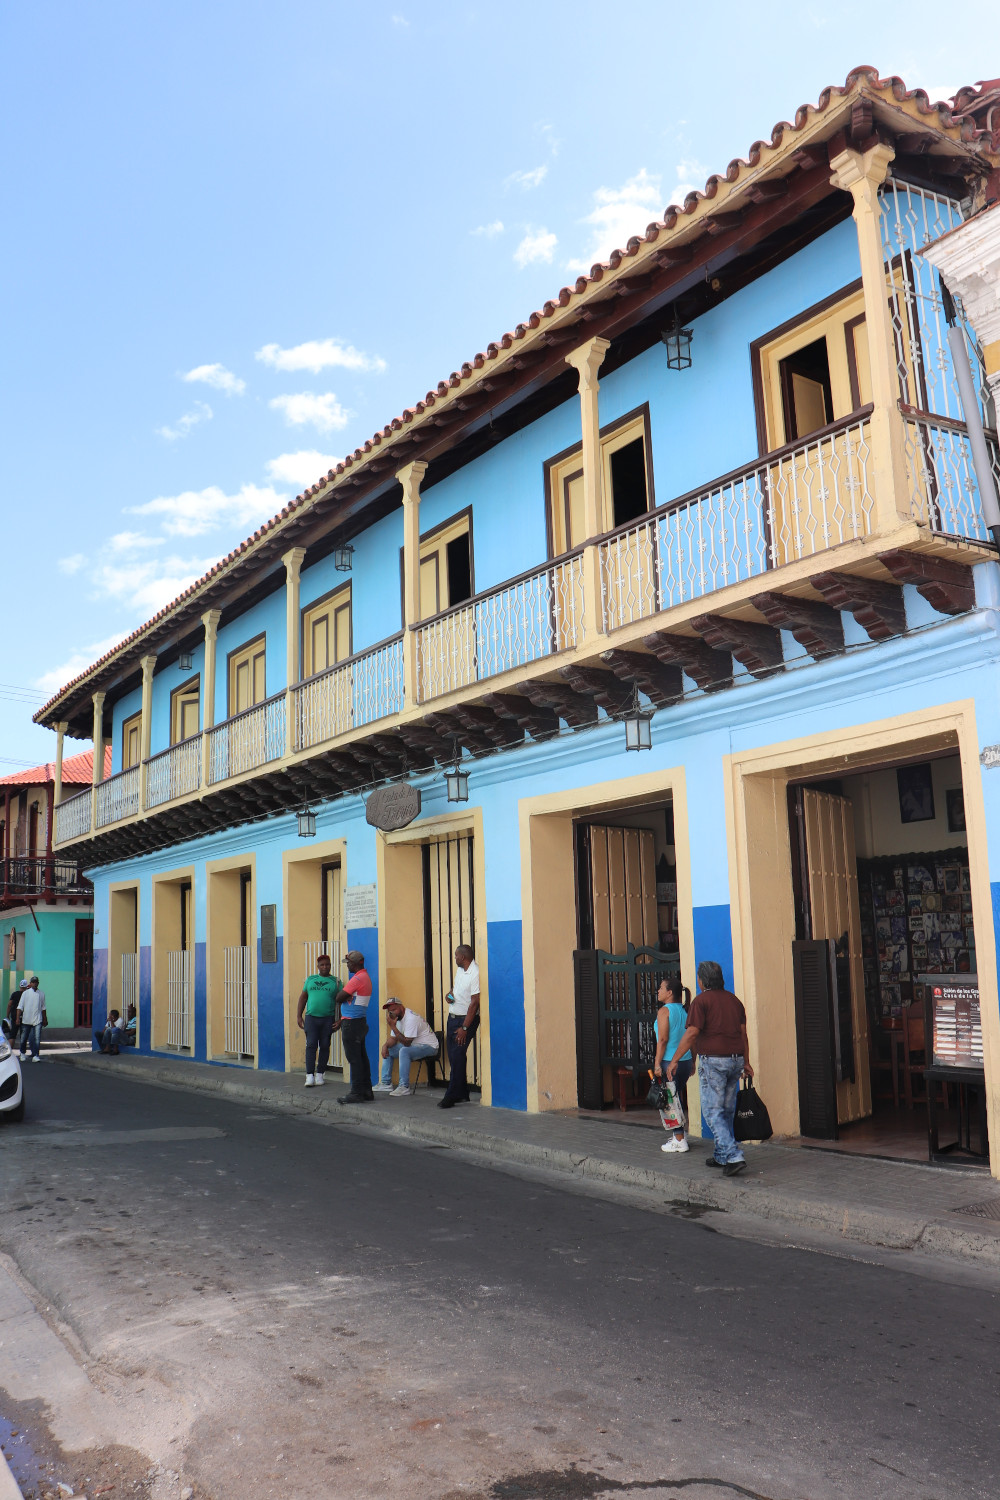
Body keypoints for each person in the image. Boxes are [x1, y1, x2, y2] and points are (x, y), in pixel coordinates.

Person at [665, 959, 753, 1177]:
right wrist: (747, 1061)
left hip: (714, 1061)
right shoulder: (735, 1001)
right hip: (735, 1060)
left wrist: (676, 1059)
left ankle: (733, 1155)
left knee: (712, 1111)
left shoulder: (701, 1001)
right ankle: (721, 1155)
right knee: (725, 1109)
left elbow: (693, 1033)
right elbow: (743, 1035)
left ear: (702, 980)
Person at [653, 977, 692, 1154]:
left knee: (670, 1100)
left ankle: (679, 1140)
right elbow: (693, 1037)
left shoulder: (664, 1011)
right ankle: (679, 1134)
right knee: (676, 1098)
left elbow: (662, 1039)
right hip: (685, 1060)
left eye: (661, 988)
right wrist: (693, 1060)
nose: (658, 991)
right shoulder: (685, 1011)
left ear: (669, 993)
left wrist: (657, 1063)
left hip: (670, 1061)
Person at [438, 944, 480, 1110]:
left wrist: (464, 1028)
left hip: (464, 1021)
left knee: (456, 1056)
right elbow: (454, 990)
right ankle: (462, 1092)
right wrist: (450, 996)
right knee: (457, 1056)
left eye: (456, 956)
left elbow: (475, 1002)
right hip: (453, 1017)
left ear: (463, 957)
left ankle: (451, 1095)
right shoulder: (460, 970)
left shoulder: (475, 973)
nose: (454, 958)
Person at [373, 998, 439, 1097]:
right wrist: (385, 1046)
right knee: (389, 1049)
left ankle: (404, 1087)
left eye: (394, 1009)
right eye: (389, 1011)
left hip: (430, 1047)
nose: (391, 1013)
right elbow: (393, 1039)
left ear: (401, 1007)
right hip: (415, 1046)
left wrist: (393, 1027)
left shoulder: (411, 1018)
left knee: (404, 1051)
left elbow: (407, 1043)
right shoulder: (398, 1018)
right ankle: (386, 1083)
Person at [296, 952, 343, 1087]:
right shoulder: (310, 980)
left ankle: (320, 1074)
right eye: (322, 965)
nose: (325, 967)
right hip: (311, 1018)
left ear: (330, 965)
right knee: (311, 1045)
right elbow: (303, 997)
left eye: (327, 964)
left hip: (328, 1019)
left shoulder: (336, 982)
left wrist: (340, 1019)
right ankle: (309, 1076)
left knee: (324, 1046)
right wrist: (299, 1016)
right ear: (318, 966)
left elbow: (341, 1002)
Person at [335, 950, 374, 1103]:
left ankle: (356, 1092)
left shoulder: (357, 979)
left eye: (350, 963)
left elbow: (338, 997)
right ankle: (366, 1090)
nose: (348, 966)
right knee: (361, 1057)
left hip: (351, 1022)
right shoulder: (365, 977)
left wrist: (344, 995)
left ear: (358, 963)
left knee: (354, 1058)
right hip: (359, 1022)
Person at [16, 976, 47, 1062]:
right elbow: (20, 1007)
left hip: (37, 1020)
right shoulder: (25, 993)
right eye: (33, 982)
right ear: (30, 983)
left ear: (38, 983)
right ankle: (22, 1053)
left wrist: (45, 1019)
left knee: (37, 1038)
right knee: (24, 1038)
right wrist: (17, 1018)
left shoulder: (41, 994)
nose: (35, 983)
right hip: (26, 1019)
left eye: (36, 982)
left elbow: (43, 1008)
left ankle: (36, 1055)